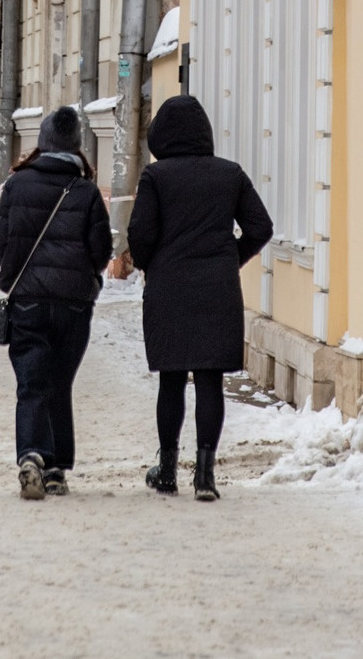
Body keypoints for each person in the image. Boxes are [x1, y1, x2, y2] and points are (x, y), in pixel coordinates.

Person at [127, 94, 273, 503]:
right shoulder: (229, 174)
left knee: (172, 379)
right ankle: (206, 476)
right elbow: (260, 226)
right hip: (217, 289)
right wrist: (230, 259)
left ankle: (168, 469)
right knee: (210, 380)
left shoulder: (156, 177)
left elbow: (140, 234)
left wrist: (149, 264)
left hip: (168, 289)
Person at [0, 106, 112, 501]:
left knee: (31, 383)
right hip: (75, 303)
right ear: (77, 145)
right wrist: (88, 277)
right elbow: (101, 249)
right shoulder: (87, 190)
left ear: (41, 143)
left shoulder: (18, 184)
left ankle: (31, 455)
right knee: (60, 383)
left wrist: (15, 270)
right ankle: (56, 469)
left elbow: (0, 239)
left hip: (28, 299)